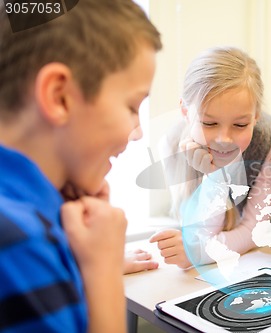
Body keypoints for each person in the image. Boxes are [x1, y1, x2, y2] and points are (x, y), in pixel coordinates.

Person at [0, 0, 161, 332]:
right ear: (59, 96)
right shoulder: (20, 244)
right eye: (132, 106)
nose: (138, 131)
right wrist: (103, 268)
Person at [150, 46, 271, 269]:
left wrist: (199, 252)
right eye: (209, 123)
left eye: (240, 125)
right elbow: (197, 231)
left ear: (256, 116)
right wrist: (215, 176)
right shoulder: (171, 145)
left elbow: (251, 230)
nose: (224, 139)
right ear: (185, 111)